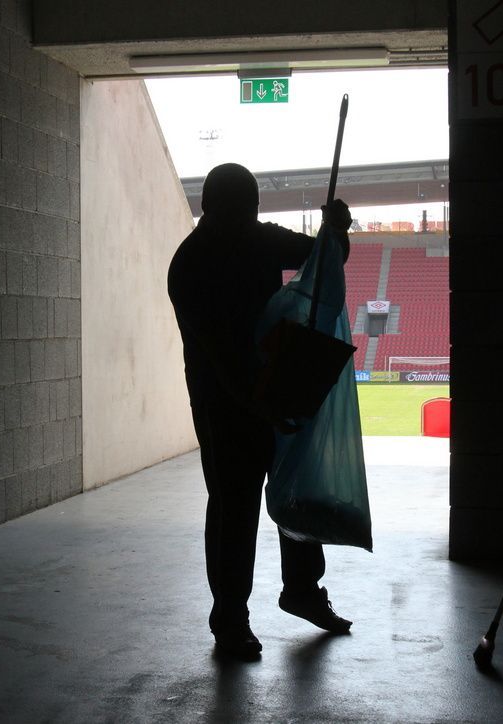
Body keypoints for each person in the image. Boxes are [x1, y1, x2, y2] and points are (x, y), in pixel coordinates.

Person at [167, 163, 354, 660]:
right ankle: (230, 618)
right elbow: (218, 357)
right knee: (234, 505)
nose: (249, 220)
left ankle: (301, 591)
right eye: (243, 212)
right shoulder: (190, 265)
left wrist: (336, 229)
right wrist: (263, 405)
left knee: (293, 489)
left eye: (252, 213)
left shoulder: (256, 238)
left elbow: (327, 257)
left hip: (270, 388)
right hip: (222, 402)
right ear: (214, 209)